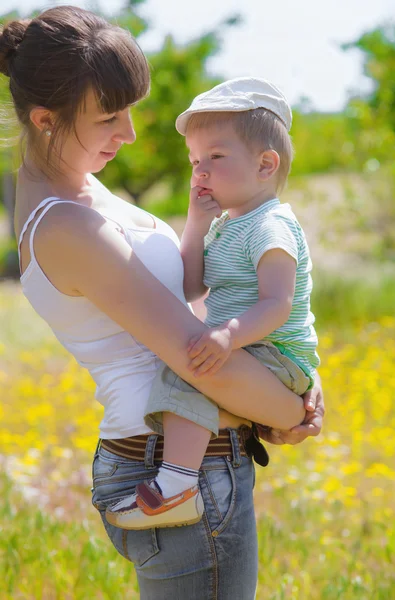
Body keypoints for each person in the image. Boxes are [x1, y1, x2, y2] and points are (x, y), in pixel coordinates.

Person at [2, 6, 324, 599]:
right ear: (46, 119)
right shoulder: (69, 224)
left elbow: (189, 301)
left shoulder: (76, 186)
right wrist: (291, 413)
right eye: (108, 117)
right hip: (178, 471)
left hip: (180, 454)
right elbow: (196, 356)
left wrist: (286, 366)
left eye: (129, 111)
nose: (128, 134)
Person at [107, 78, 320, 531]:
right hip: (251, 346)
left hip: (277, 351)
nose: (200, 170)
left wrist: (228, 334)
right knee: (191, 369)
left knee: (190, 373)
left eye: (215, 158)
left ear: (266, 165)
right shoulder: (228, 224)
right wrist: (197, 221)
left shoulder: (271, 226)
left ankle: (177, 487)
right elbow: (188, 286)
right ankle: (194, 468)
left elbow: (278, 304)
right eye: (194, 161)